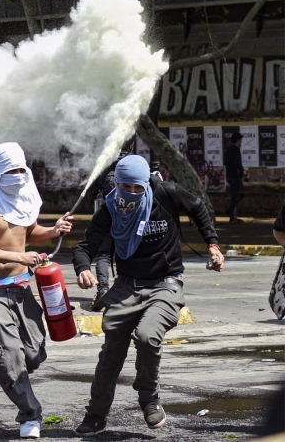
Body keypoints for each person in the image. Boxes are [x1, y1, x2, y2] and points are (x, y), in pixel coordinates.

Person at [72, 155, 224, 437]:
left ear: (146, 184)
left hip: (166, 283)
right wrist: (83, 269)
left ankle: (148, 398)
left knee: (147, 335)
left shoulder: (165, 192)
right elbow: (84, 247)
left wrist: (212, 244)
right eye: (124, 187)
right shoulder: (109, 209)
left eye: (137, 188)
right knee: (110, 355)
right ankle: (95, 415)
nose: (130, 194)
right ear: (117, 184)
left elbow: (198, 208)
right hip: (127, 286)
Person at [0, 142, 73, 439]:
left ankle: (13, 369)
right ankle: (30, 414)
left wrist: (53, 231)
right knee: (9, 355)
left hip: (21, 286)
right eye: (10, 170)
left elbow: (29, 231)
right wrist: (20, 258)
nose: (16, 175)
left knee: (34, 351)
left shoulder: (26, 193)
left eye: (20, 169)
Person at [90, 140, 134, 312]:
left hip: (105, 217)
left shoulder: (104, 164)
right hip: (130, 218)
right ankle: (127, 291)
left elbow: (92, 193)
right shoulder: (134, 164)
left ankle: (103, 290)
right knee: (129, 253)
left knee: (103, 254)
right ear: (131, 146)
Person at [224, 132, 246, 222]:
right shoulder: (235, 149)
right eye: (240, 140)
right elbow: (237, 163)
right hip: (235, 176)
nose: (241, 142)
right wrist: (242, 171)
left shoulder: (228, 149)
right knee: (236, 195)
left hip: (230, 175)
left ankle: (231, 211)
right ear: (237, 140)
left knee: (240, 194)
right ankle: (232, 215)